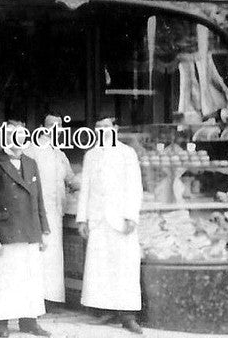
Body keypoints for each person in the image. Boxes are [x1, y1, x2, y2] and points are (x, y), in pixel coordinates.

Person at [0, 120, 52, 337]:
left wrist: (44, 230)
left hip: (30, 231)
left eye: (21, 134)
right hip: (5, 233)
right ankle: (2, 323)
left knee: (30, 278)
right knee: (4, 279)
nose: (17, 139)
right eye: (12, 134)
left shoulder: (31, 162)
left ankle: (29, 322)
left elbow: (39, 199)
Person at [76, 117, 144, 334]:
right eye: (99, 128)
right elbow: (85, 188)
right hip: (98, 220)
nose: (103, 131)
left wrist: (131, 216)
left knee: (124, 268)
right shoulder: (91, 155)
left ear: (115, 129)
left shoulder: (127, 153)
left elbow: (135, 186)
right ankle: (106, 309)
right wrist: (82, 219)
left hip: (121, 220)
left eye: (107, 127)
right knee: (101, 268)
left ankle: (128, 315)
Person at [23, 111, 78, 305]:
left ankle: (51, 299)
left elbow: (70, 179)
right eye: (52, 127)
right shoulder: (31, 150)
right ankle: (37, 299)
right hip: (37, 213)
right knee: (39, 256)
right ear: (42, 128)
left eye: (59, 127)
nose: (56, 131)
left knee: (53, 258)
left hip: (56, 213)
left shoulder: (59, 154)